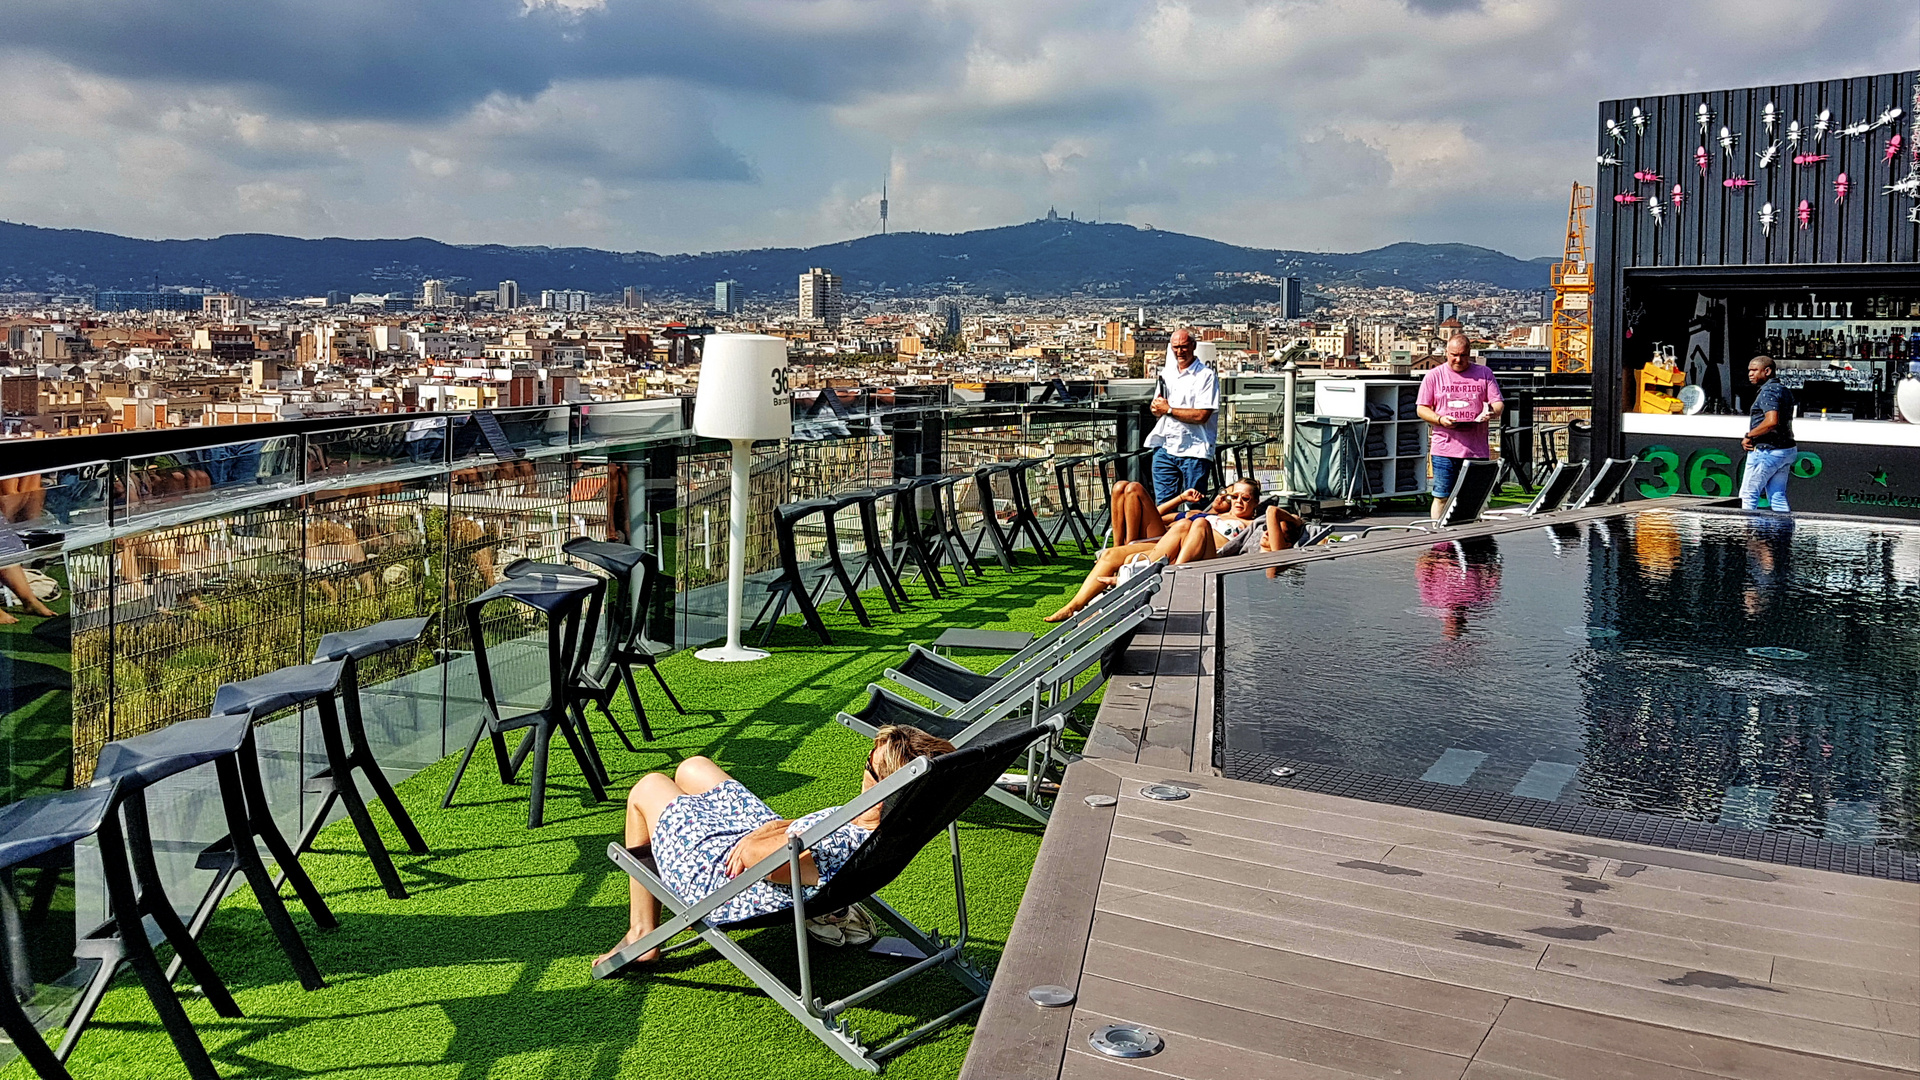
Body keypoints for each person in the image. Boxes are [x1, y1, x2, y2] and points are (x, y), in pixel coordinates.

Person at [595, 725, 956, 968]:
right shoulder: (884, 825)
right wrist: (776, 827)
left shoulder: (843, 844)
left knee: (649, 786)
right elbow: (801, 840)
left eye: (869, 765)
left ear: (882, 787)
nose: (865, 767)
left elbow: (755, 861)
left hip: (723, 877)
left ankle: (643, 933)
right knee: (694, 767)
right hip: (774, 843)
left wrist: (757, 837)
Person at [1046, 479, 1301, 622]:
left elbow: (1280, 549)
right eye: (1234, 496)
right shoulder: (1210, 513)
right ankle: (1076, 605)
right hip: (1173, 543)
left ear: (1255, 503)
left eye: (1245, 499)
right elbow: (1158, 516)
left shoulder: (1255, 525)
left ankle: (1140, 578)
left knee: (1195, 523)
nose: (1238, 502)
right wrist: (1191, 502)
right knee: (1114, 553)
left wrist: (1282, 515)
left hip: (1209, 559)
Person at [1415, 335, 1505, 522]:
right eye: (1454, 355)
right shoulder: (1434, 376)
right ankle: (1439, 539)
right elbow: (1421, 408)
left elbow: (1498, 403)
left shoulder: (1484, 373)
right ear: (1446, 353)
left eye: (1463, 355)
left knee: (1474, 498)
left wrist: (1491, 413)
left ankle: (1471, 538)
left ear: (1470, 354)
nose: (1458, 359)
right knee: (1441, 496)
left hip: (1476, 450)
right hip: (1445, 449)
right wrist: (1440, 419)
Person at [1145, 329, 1219, 506]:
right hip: (1166, 446)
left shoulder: (1206, 376)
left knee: (1194, 505)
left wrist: (1168, 410)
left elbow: (1202, 415)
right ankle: (1166, 534)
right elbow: (1157, 407)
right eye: (1176, 347)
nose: (1180, 351)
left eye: (1184, 347)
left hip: (1195, 449)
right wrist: (1157, 409)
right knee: (1163, 504)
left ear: (1193, 346)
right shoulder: (1167, 374)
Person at [1740, 355, 1797, 513]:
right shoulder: (1783, 389)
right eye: (1749, 370)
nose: (1750, 374)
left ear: (1767, 371)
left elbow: (1771, 421)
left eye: (1754, 370)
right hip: (1786, 450)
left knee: (1748, 494)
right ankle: (1782, 536)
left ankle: (1748, 534)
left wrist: (1749, 435)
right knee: (1777, 497)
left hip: (1768, 450)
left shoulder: (1768, 391)